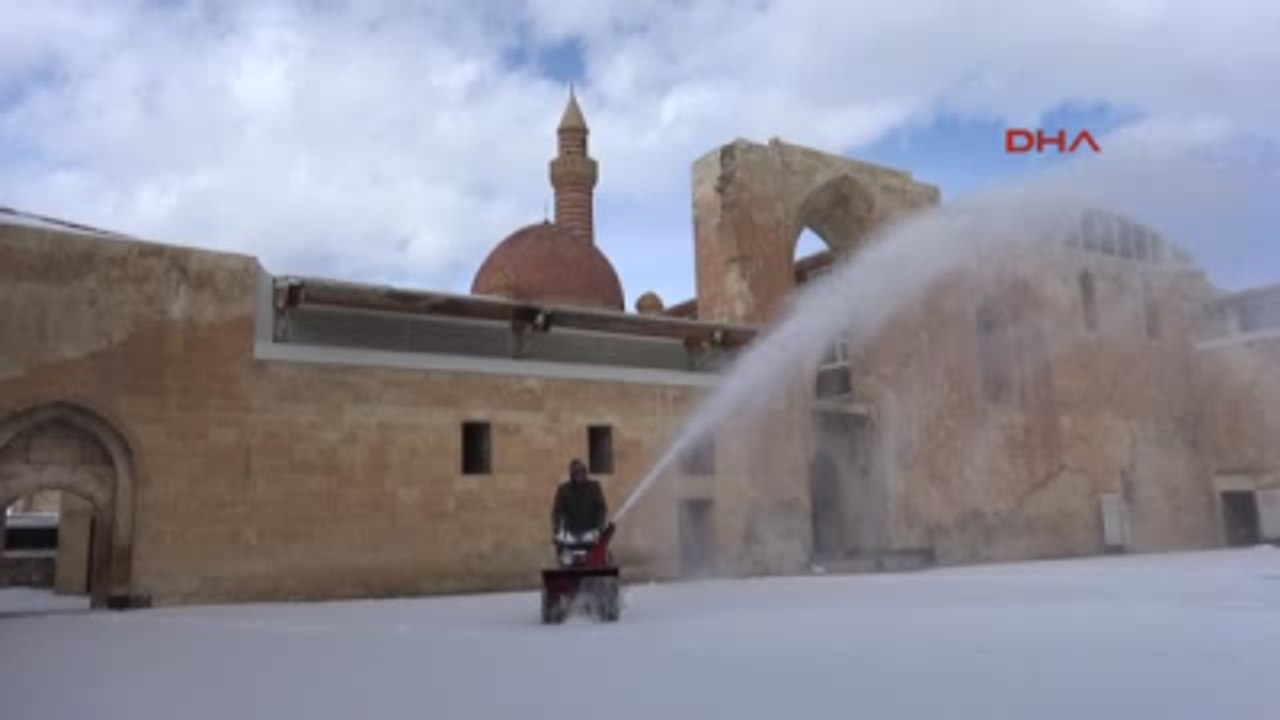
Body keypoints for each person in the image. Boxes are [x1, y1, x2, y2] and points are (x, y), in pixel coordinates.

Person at [551, 458, 608, 538]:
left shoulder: (594, 487)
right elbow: (557, 511)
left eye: (581, 472)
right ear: (571, 474)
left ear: (585, 472)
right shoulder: (564, 490)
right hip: (571, 531)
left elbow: (601, 507)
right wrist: (556, 528)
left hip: (591, 531)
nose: (579, 475)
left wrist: (601, 525)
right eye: (576, 472)